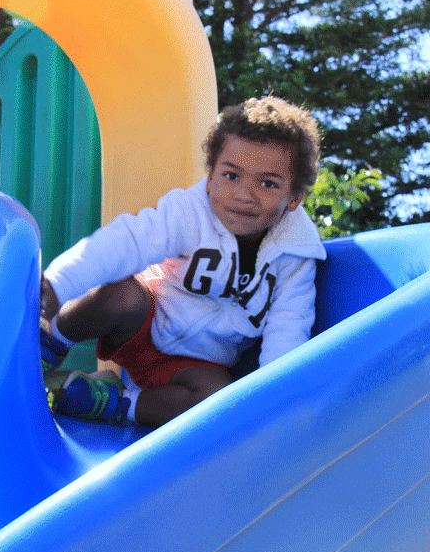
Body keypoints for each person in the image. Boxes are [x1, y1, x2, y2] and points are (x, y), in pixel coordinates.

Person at [40, 95, 327, 428]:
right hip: (145, 322)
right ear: (210, 175)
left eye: (267, 183)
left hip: (195, 363)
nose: (243, 194)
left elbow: (288, 325)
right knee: (120, 294)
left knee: (216, 399)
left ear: (294, 198)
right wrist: (60, 281)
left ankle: (119, 402)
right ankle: (50, 340)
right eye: (231, 176)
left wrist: (275, 400)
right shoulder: (189, 212)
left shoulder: (296, 254)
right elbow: (128, 241)